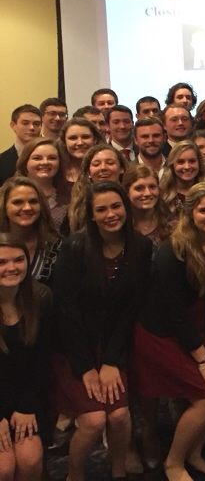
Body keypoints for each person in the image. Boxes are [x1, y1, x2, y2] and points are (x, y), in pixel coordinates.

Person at [133, 183, 205, 481]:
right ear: (189, 214)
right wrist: (204, 361)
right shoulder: (172, 251)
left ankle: (195, 450)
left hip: (198, 325)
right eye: (203, 210)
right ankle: (174, 463)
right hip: (163, 334)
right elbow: (174, 314)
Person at [52, 181, 152, 481]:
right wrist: (86, 368)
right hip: (73, 348)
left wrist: (111, 360)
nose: (111, 214)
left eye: (116, 206)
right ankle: (74, 474)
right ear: (91, 215)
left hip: (113, 346)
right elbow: (66, 313)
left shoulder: (141, 246)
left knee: (120, 416)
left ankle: (118, 472)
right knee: (94, 420)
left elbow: (131, 310)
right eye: (102, 209)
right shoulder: (74, 248)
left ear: (126, 207)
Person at [0, 236, 49, 481]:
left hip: (26, 398)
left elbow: (43, 362)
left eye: (18, 260)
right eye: (1, 262)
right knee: (4, 468)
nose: (11, 268)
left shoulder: (41, 300)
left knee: (30, 460)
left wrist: (27, 405)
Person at [0, 177, 61, 285]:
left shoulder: (58, 246)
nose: (27, 208)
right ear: (4, 207)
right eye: (17, 202)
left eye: (33, 201)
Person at [65, 144, 128, 234]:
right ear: (89, 173)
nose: (103, 168)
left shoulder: (133, 197)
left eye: (110, 163)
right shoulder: (77, 205)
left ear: (122, 168)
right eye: (96, 164)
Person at [16, 137, 69, 229]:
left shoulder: (70, 196)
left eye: (52, 158)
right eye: (37, 158)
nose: (45, 162)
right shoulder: (8, 194)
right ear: (25, 162)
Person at [123, 164, 172, 250]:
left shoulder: (172, 226)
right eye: (139, 188)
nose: (147, 193)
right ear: (127, 192)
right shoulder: (120, 226)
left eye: (152, 187)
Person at [160, 141, 201, 217]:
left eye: (192, 161)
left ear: (199, 163)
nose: (187, 167)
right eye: (181, 162)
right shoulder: (162, 195)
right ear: (172, 165)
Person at [58, 118, 100, 186]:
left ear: (95, 140)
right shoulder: (56, 171)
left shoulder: (104, 169)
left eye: (85, 137)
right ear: (64, 142)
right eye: (73, 138)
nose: (80, 143)